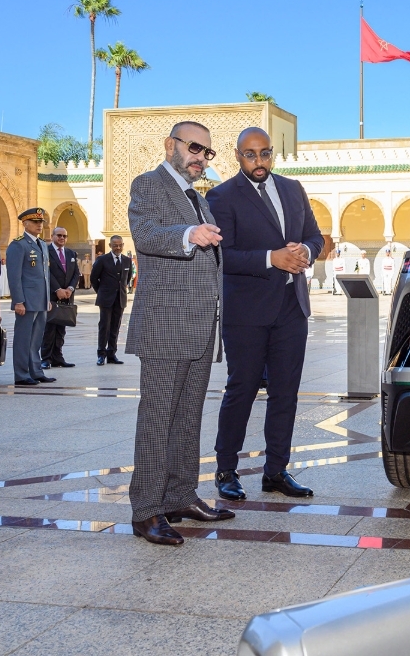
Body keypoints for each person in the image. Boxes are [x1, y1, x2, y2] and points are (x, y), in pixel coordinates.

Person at [125, 120, 234, 545]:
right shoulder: (149, 185)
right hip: (165, 325)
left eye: (207, 152)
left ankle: (179, 496)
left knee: (187, 418)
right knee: (157, 420)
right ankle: (147, 510)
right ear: (171, 144)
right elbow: (147, 233)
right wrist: (189, 233)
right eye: (194, 148)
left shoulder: (199, 199)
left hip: (199, 326)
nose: (201, 158)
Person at [207, 127, 324, 500]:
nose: (259, 162)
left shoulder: (292, 188)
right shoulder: (222, 196)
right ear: (237, 156)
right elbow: (223, 256)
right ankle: (226, 469)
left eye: (264, 154)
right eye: (250, 155)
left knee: (286, 392)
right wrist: (271, 258)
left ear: (272, 154)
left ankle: (276, 470)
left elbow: (316, 236)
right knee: (241, 389)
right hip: (247, 311)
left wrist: (305, 249)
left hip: (292, 308)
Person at [6, 208, 55, 386]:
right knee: (23, 339)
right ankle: (21, 374)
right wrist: (18, 300)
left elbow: (45, 275)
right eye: (35, 222)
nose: (39, 225)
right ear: (25, 224)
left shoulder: (42, 244)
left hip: (41, 300)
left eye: (41, 222)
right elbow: (14, 275)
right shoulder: (18, 245)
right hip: (26, 301)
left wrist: (47, 298)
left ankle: (36, 371)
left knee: (36, 339)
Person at [90, 235, 132, 366]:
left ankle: (112, 353)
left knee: (115, 326)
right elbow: (93, 278)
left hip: (120, 299)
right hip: (106, 299)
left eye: (120, 245)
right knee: (104, 326)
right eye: (115, 245)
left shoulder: (127, 260)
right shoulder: (102, 259)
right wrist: (102, 292)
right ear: (110, 246)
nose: (118, 247)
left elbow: (128, 277)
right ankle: (101, 354)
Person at [41, 226, 79, 369]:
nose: (62, 238)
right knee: (49, 328)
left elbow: (76, 273)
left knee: (61, 328)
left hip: (67, 296)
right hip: (52, 295)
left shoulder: (71, 253)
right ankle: (45, 358)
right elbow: (46, 273)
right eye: (59, 235)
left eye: (64, 236)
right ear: (52, 236)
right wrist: (57, 289)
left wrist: (70, 288)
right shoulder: (46, 252)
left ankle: (58, 357)